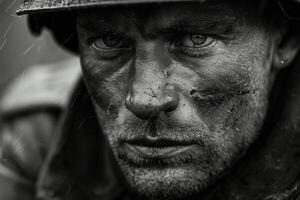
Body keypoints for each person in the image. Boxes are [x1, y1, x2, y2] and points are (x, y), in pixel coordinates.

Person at [1, 0, 300, 199]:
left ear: (284, 40)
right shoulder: (37, 135)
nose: (144, 99)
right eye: (109, 41)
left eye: (195, 39)